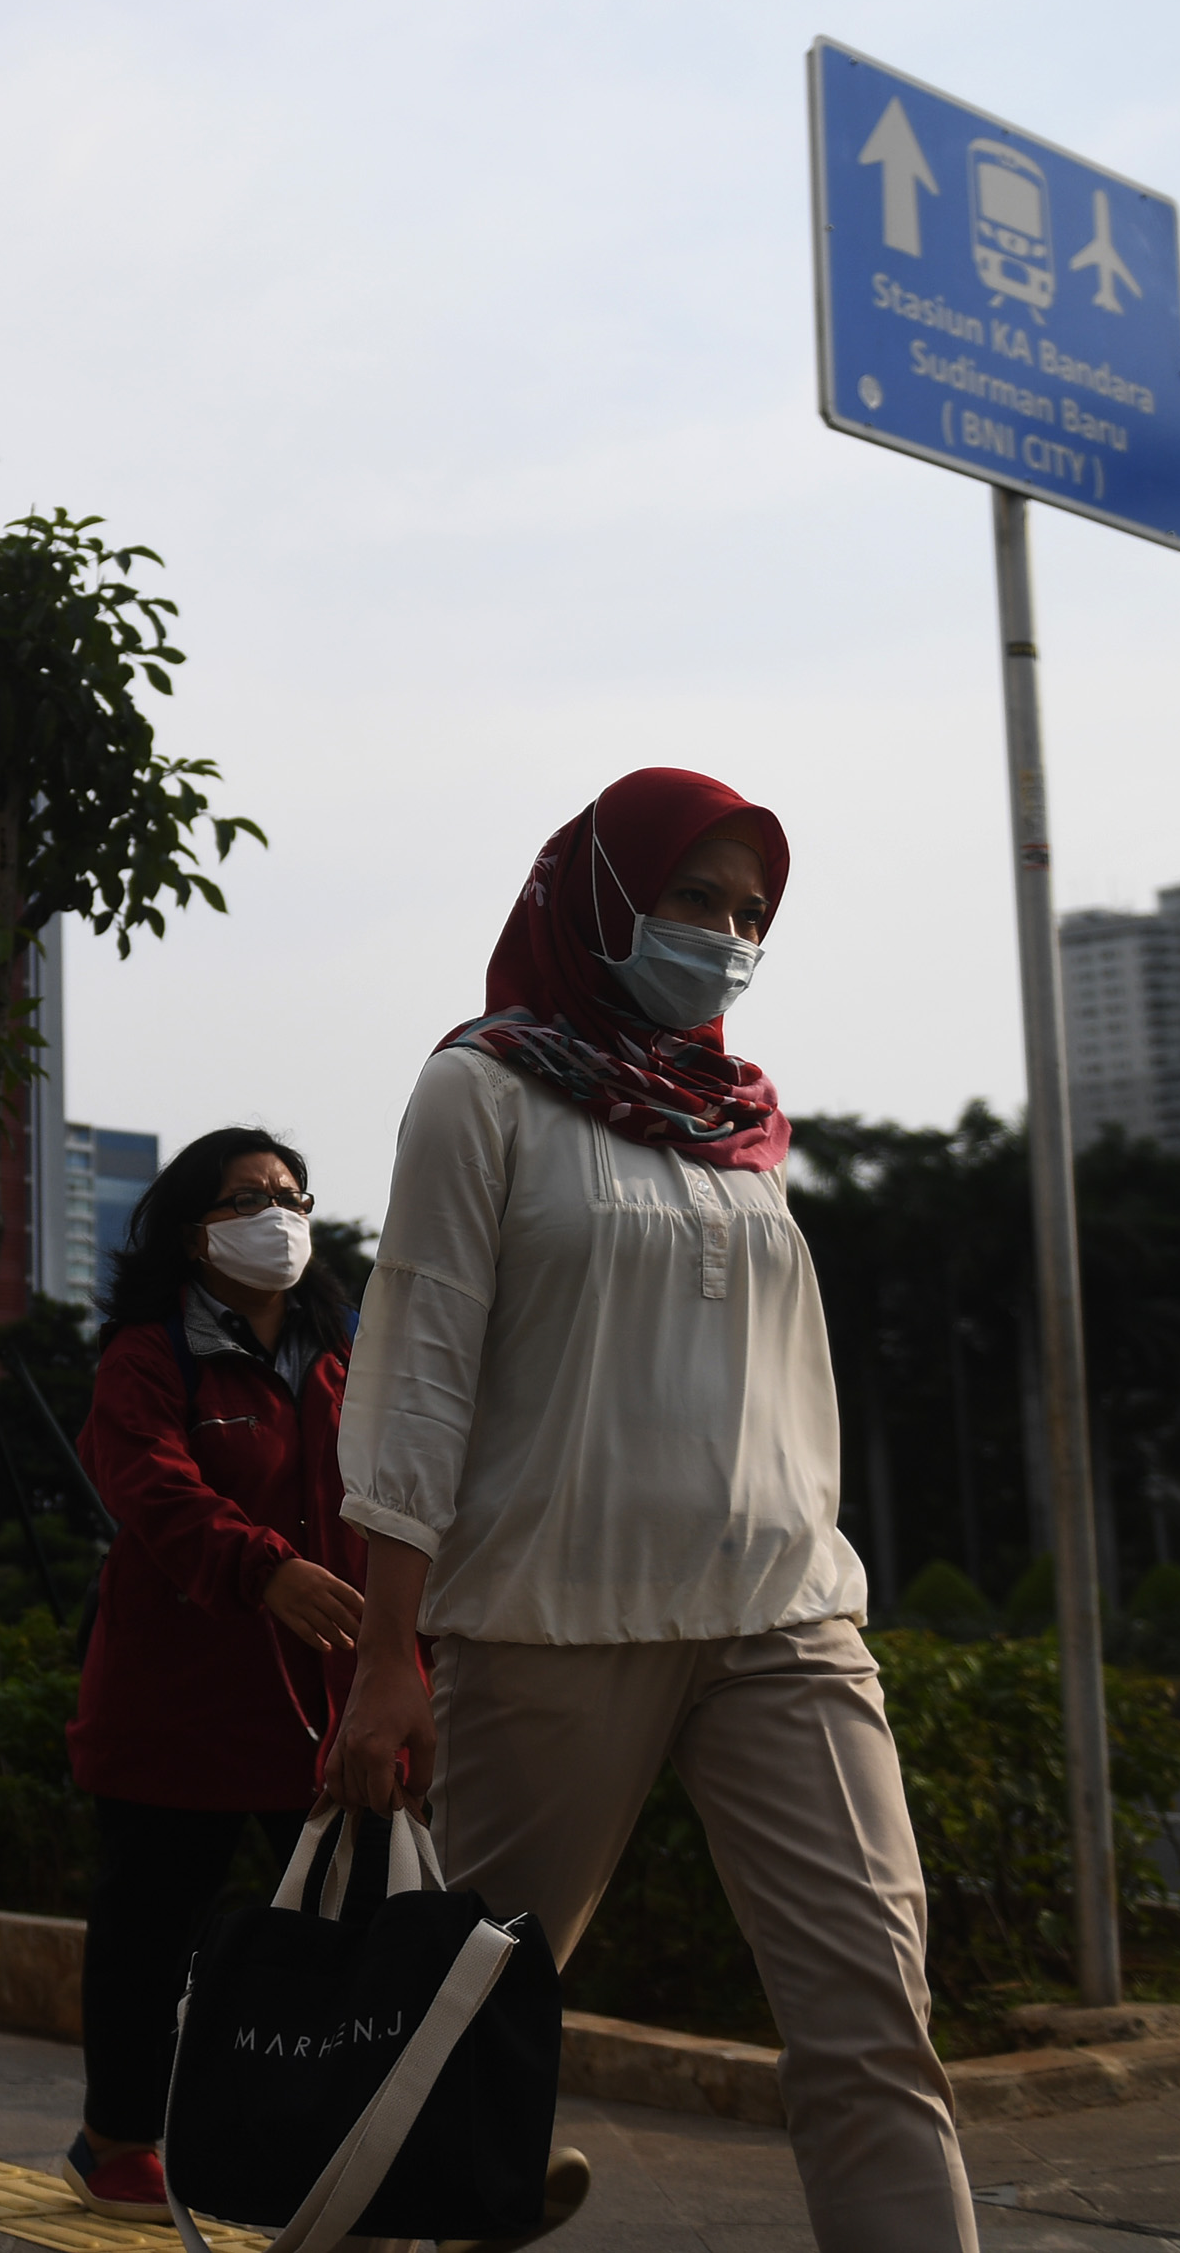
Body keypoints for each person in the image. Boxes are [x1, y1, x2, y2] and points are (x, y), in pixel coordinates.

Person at [328, 768, 970, 2253]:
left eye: (751, 911)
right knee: (461, 2034)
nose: (726, 935)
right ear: (605, 893)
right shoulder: (481, 1087)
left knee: (875, 2015)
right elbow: (419, 1369)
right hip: (553, 1618)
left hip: (782, 1613)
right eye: (694, 896)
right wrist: (384, 1652)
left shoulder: (739, 1120)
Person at [56, 1126, 370, 2222]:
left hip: (320, 1710)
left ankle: (346, 2140)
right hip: (174, 1705)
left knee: (345, 1937)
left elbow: (392, 1514)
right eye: (247, 1197)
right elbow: (147, 1486)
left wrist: (404, 1670)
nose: (277, 1213)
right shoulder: (147, 1357)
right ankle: (116, 2141)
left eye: (291, 1194)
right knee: (151, 1930)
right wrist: (263, 1568)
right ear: (195, 1230)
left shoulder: (345, 1358)